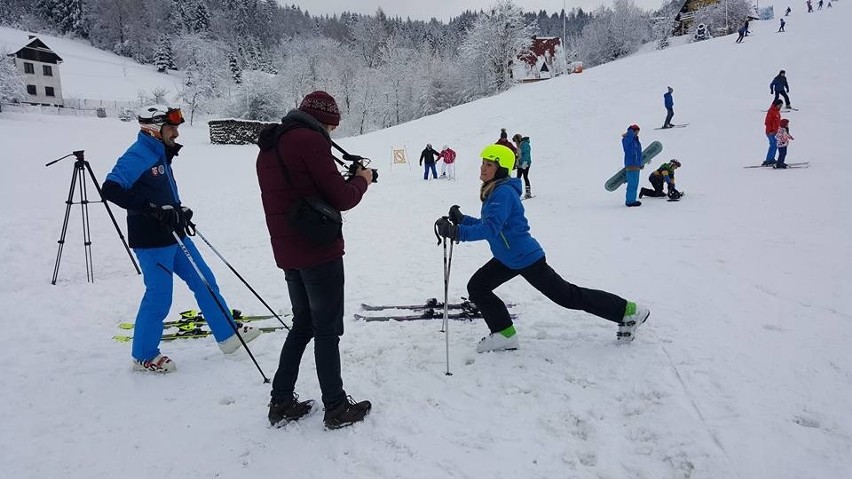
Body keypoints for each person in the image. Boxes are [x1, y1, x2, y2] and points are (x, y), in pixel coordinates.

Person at [433, 145, 650, 353]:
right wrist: (462, 221)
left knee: (568, 297)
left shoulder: (503, 193)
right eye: (483, 162)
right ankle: (504, 334)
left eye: (489, 164)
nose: (483, 167)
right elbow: (492, 224)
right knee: (478, 287)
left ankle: (629, 311)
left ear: (500, 168)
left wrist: (457, 232)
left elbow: (490, 229)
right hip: (508, 258)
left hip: (525, 258)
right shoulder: (496, 190)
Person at [102, 105, 261, 374]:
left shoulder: (159, 152)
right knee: (160, 295)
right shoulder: (138, 153)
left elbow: (159, 192)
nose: (176, 133)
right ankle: (143, 354)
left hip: (172, 233)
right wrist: (152, 210)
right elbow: (111, 188)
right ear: (154, 130)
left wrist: (178, 210)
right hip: (151, 239)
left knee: (204, 280)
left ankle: (228, 335)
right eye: (171, 128)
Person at [256, 91, 372, 429]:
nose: (332, 135)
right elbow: (342, 197)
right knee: (326, 330)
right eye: (332, 127)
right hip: (319, 250)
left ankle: (280, 401)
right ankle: (335, 407)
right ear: (326, 121)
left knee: (303, 325)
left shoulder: (270, 146)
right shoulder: (310, 142)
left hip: (288, 251)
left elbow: (305, 189)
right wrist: (362, 180)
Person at [622, 124, 643, 207]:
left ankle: (632, 199)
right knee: (632, 183)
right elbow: (628, 139)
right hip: (631, 164)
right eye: (636, 131)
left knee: (635, 183)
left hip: (636, 165)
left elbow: (639, 154)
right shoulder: (627, 139)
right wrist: (630, 131)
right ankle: (630, 201)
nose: (637, 133)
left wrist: (640, 163)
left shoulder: (636, 141)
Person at [763, 99, 784, 166]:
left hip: (775, 132)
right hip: (771, 132)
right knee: (773, 145)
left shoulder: (776, 112)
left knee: (775, 145)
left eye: (781, 105)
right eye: (779, 105)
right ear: (776, 105)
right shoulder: (771, 112)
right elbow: (767, 122)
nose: (780, 107)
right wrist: (770, 131)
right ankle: (769, 160)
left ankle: (771, 159)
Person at [512, 133, 532, 199]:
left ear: (518, 140)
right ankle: (517, 192)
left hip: (525, 164)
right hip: (520, 164)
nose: (515, 143)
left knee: (525, 177)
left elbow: (526, 154)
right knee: (518, 178)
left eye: (516, 141)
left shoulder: (525, 144)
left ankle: (528, 192)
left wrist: (525, 163)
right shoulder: (520, 145)